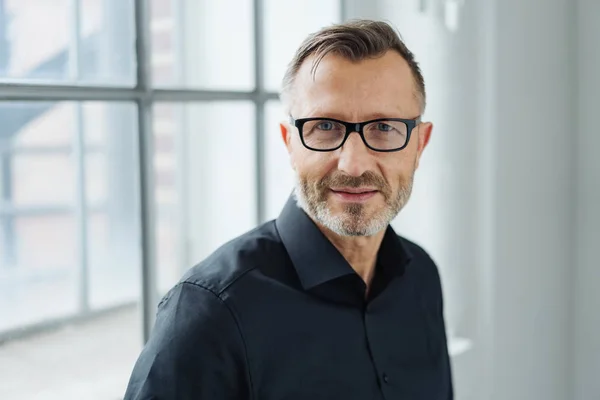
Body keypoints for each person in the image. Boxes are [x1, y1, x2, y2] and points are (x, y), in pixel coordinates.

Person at [124, 19, 453, 400]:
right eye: (326, 126)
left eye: (384, 128)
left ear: (420, 145)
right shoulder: (207, 314)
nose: (353, 164)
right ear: (289, 142)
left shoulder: (422, 277)